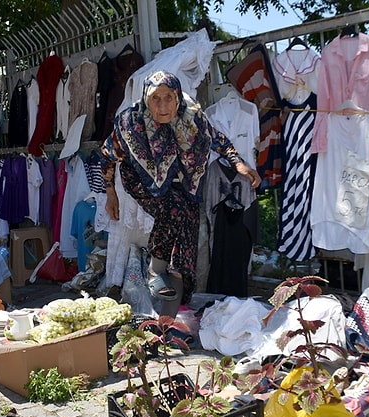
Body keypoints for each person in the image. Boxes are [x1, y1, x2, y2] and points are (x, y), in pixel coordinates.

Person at [100, 70, 260, 318]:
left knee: (185, 250)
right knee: (173, 209)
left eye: (168, 98)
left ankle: (166, 324)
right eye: (155, 98)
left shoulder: (192, 117)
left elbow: (216, 139)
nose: (162, 106)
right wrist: (111, 194)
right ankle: (154, 270)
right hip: (140, 178)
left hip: (181, 182)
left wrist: (237, 162)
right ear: (146, 99)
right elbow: (108, 156)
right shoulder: (130, 123)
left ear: (177, 98)